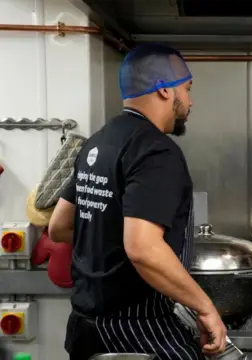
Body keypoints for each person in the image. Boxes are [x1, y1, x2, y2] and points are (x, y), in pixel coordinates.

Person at [48, 43, 227, 360]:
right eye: (186, 89)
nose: (190, 101)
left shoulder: (99, 143)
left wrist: (115, 238)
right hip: (135, 332)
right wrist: (205, 307)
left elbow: (60, 226)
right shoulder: (155, 150)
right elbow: (143, 249)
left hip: (85, 329)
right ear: (164, 90)